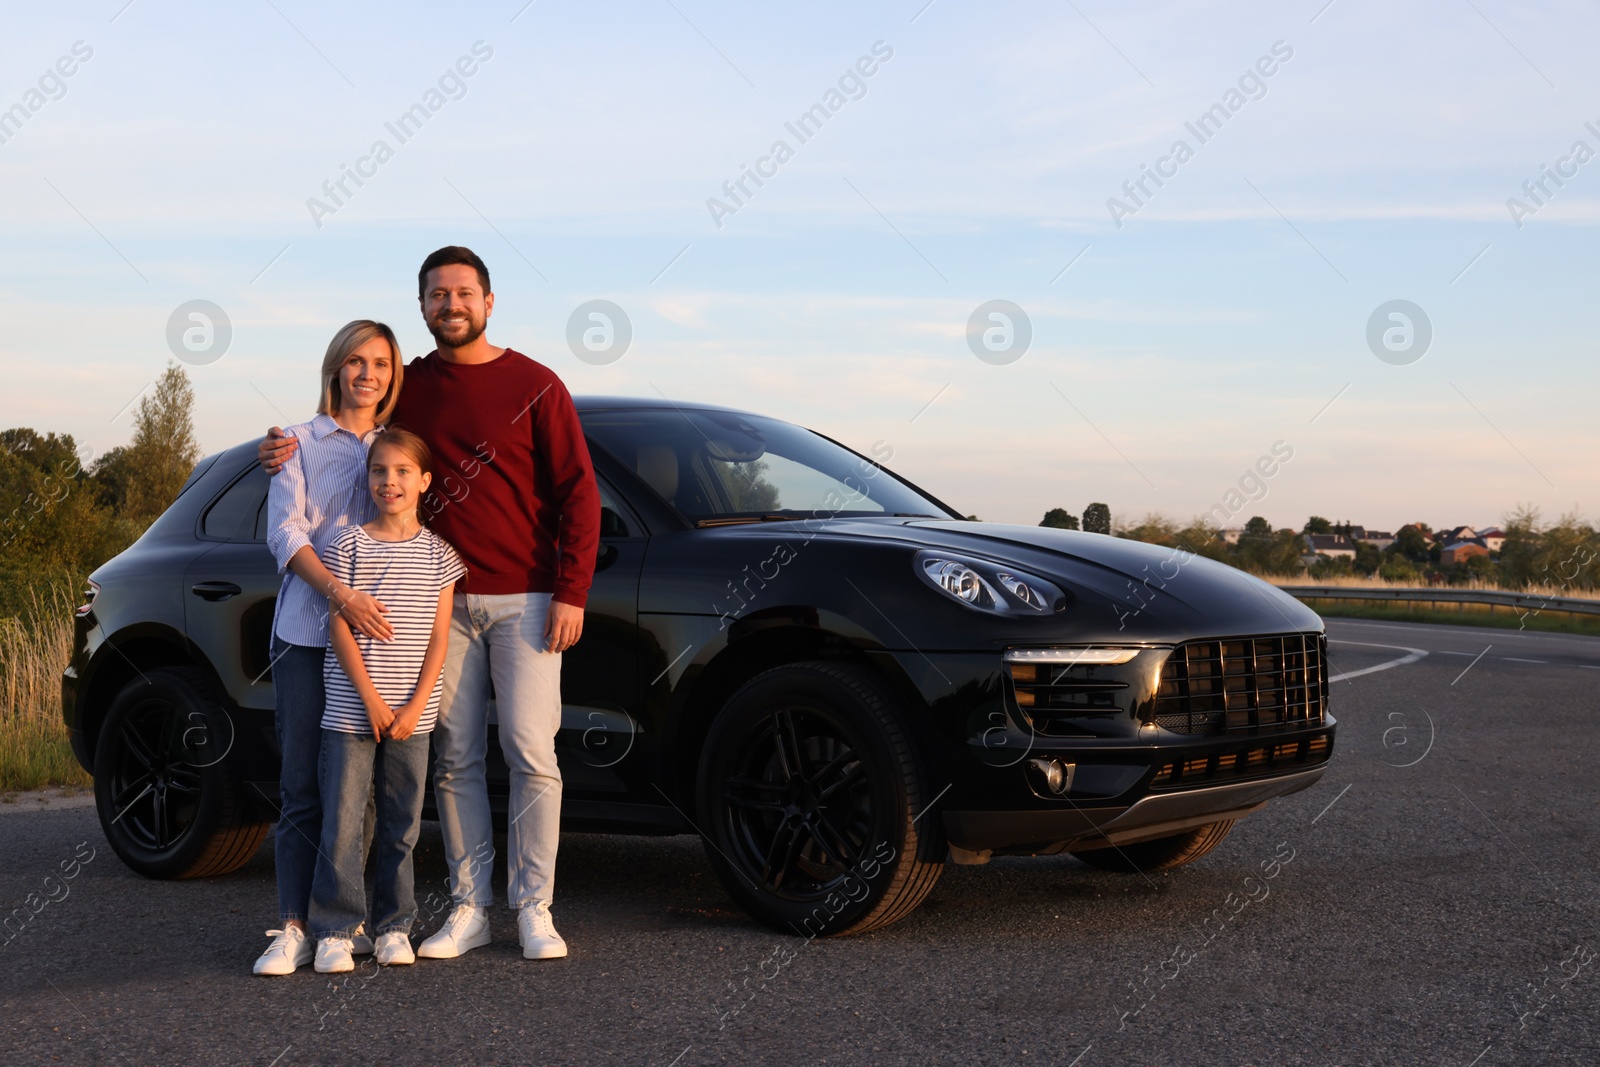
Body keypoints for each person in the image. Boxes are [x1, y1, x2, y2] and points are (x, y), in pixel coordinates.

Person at [260, 246, 600, 962]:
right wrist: (280, 445)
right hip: (436, 606)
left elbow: (578, 492)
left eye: (463, 293)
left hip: (527, 599)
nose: (451, 305)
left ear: (489, 300)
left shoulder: (537, 382)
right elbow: (348, 433)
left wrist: (572, 589)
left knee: (533, 751)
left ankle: (534, 906)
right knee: (453, 759)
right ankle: (470, 905)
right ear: (422, 306)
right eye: (437, 295)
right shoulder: (408, 387)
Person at [254, 321, 401, 977]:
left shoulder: (394, 447)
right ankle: (290, 925)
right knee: (301, 785)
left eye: (380, 363)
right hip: (307, 633)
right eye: (356, 361)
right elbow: (285, 536)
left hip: (373, 643)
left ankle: (342, 921)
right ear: (336, 368)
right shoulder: (297, 442)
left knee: (358, 790)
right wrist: (341, 594)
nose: (367, 374)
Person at [309, 430, 465, 973]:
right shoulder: (346, 546)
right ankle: (335, 929)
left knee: (401, 823)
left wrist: (414, 705)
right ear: (367, 478)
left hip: (412, 718)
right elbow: (339, 630)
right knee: (344, 822)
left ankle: (394, 926)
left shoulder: (441, 557)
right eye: (379, 471)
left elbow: (440, 640)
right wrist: (372, 702)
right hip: (352, 713)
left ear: (424, 481)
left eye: (402, 471)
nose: (389, 481)